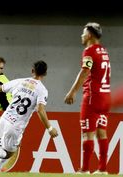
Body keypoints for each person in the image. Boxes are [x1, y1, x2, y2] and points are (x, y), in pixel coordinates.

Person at [0, 60, 58, 172]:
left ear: (32, 71)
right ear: (45, 74)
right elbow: (40, 110)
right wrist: (49, 128)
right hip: (16, 125)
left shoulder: (20, 81)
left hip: (5, 118)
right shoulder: (42, 90)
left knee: (13, 145)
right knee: (9, 153)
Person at [64, 22, 111, 175]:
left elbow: (85, 72)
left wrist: (72, 92)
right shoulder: (103, 51)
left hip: (93, 97)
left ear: (89, 35)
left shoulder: (89, 51)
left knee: (87, 134)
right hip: (105, 96)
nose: (81, 35)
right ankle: (103, 169)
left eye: (83, 33)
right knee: (101, 133)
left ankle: (84, 170)